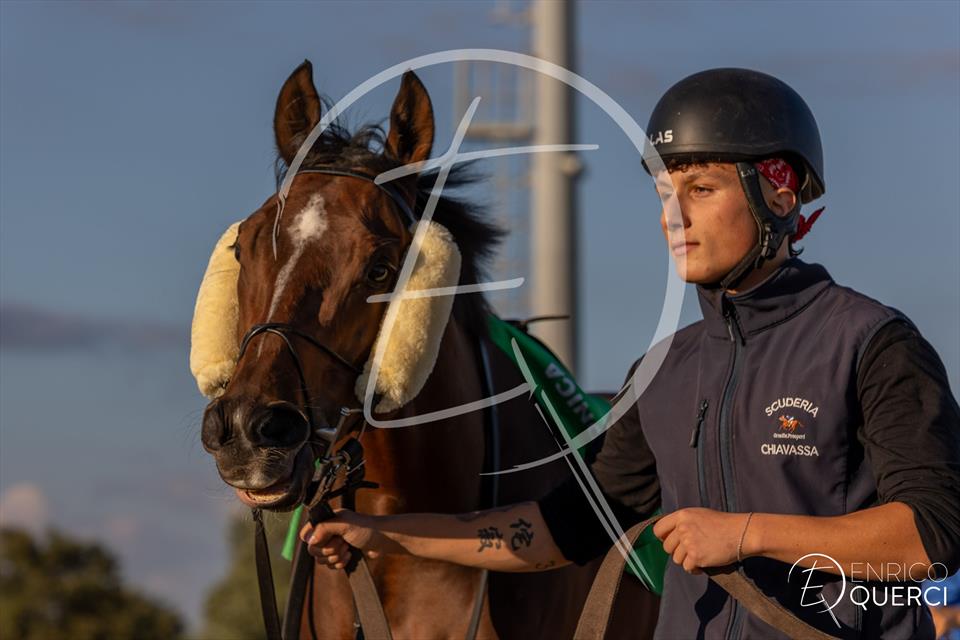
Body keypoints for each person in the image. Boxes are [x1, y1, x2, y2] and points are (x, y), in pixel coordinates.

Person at [299, 68, 960, 639]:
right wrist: (389, 534)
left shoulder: (873, 343)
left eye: (701, 190)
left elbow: (932, 537)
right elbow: (564, 530)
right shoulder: (662, 371)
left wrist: (745, 534)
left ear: (779, 196)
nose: (674, 216)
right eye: (665, 193)